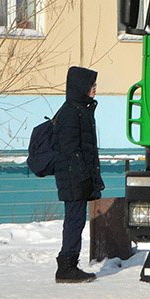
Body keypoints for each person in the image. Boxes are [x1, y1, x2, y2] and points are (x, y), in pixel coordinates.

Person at [52, 66, 104, 283]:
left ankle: (69, 263)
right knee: (74, 220)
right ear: (81, 86)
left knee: (76, 220)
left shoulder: (81, 110)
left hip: (77, 176)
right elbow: (71, 149)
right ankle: (66, 266)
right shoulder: (71, 112)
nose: (95, 89)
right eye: (92, 85)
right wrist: (83, 177)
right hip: (73, 177)